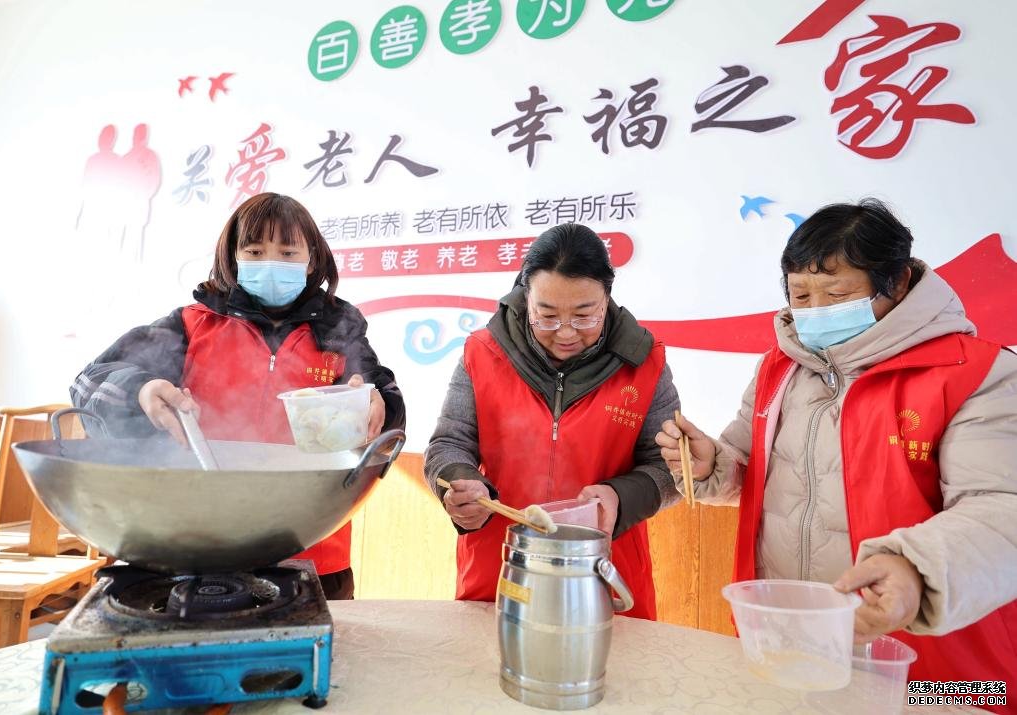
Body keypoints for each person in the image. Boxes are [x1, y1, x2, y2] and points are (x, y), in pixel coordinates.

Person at [656, 199, 1017, 705]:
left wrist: (916, 570)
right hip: (794, 644)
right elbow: (750, 466)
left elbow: (1002, 508)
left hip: (936, 667)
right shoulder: (778, 369)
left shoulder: (978, 374)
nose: (816, 312)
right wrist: (712, 464)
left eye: (837, 293)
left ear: (898, 284)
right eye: (800, 295)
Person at [70, 192, 406, 599]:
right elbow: (89, 382)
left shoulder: (340, 331)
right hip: (197, 540)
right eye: (256, 250)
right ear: (233, 256)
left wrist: (377, 405)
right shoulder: (192, 324)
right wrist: (141, 390)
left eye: (287, 252)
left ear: (312, 259)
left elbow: (383, 398)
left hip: (312, 543)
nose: (272, 263)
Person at [425, 223, 681, 620]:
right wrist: (458, 483)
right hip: (500, 573)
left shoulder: (643, 362)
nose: (565, 333)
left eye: (584, 316)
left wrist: (619, 497)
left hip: (603, 577)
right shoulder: (483, 352)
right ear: (527, 299)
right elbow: (448, 442)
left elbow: (670, 466)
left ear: (607, 298)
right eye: (546, 315)